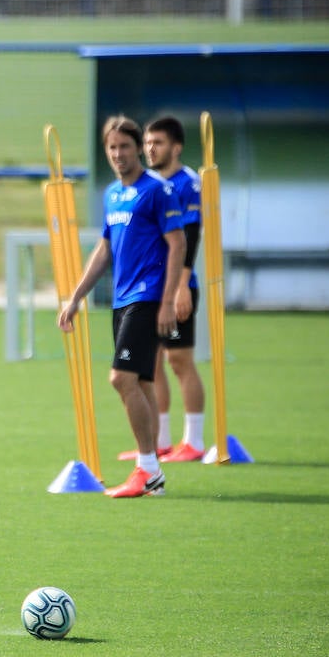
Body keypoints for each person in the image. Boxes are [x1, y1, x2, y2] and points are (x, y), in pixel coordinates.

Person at [58, 115, 187, 498]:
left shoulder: (157, 191)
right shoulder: (112, 195)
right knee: (143, 381)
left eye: (125, 146)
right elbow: (105, 249)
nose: (118, 154)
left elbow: (178, 243)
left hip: (148, 297)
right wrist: (76, 296)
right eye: (111, 148)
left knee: (121, 379)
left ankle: (146, 469)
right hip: (122, 299)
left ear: (138, 149)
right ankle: (153, 473)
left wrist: (168, 301)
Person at [141, 115, 206, 464]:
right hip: (150, 288)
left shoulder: (188, 183)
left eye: (159, 142)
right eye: (148, 142)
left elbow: (190, 236)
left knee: (179, 359)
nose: (151, 148)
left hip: (178, 285)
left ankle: (193, 441)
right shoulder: (147, 183)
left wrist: (182, 285)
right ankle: (160, 441)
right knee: (150, 364)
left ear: (176, 147)